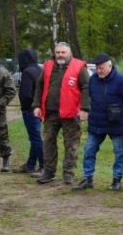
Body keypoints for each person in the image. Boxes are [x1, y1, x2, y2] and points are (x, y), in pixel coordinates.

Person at [74, 54, 123, 192]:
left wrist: (120, 114)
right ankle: (87, 178)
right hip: (96, 123)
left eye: (101, 68)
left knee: (119, 152)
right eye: (97, 68)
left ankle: (116, 180)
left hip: (116, 123)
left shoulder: (122, 80)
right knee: (89, 150)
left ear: (109, 66)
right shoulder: (93, 80)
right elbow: (89, 97)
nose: (98, 71)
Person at [33, 41, 91, 185]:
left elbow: (86, 88)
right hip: (50, 112)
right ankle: (49, 172)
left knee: (71, 145)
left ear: (69, 53)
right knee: (48, 143)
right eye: (58, 52)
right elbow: (39, 86)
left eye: (63, 52)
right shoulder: (47, 66)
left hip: (71, 113)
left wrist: (85, 109)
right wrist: (36, 105)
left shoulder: (79, 67)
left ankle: (69, 174)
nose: (60, 55)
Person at [14, 48, 43, 175]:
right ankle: (31, 164)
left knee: (36, 138)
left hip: (30, 109)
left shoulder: (27, 72)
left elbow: (25, 93)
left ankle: (44, 165)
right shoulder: (40, 70)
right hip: (40, 108)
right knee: (34, 137)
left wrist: (27, 106)